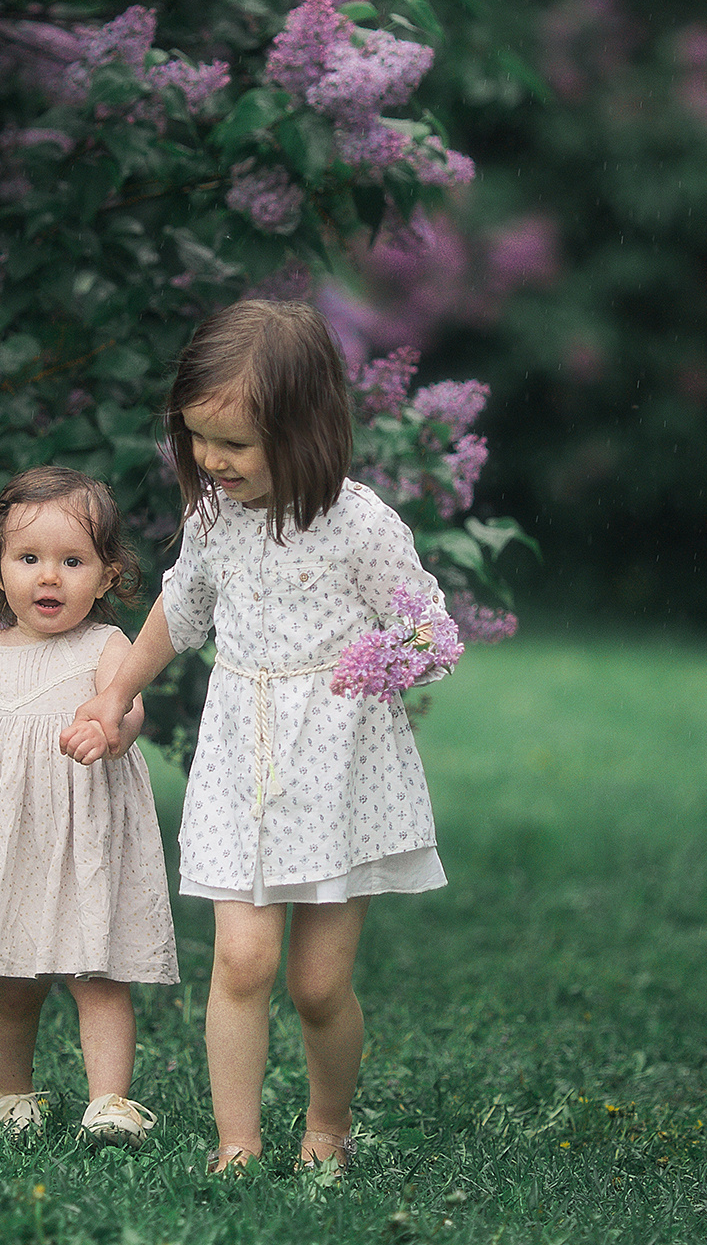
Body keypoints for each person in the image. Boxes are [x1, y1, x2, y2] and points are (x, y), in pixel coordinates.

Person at [68, 299, 450, 1176]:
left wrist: (397, 656)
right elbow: (179, 614)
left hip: (340, 773)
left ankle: (327, 1125)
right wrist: (117, 692)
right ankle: (236, 1143)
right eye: (197, 437)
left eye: (233, 443)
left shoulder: (362, 525)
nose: (210, 459)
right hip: (243, 759)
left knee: (318, 986)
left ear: (307, 430)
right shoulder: (213, 522)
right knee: (241, 962)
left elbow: (427, 624)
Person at [0, 466, 179, 1147]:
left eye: (72, 561)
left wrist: (108, 728)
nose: (50, 576)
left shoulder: (104, 647)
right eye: (30, 559)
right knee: (13, 983)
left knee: (95, 975)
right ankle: (13, 1097)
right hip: (10, 843)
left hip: (84, 842)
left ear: (107, 576)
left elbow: (128, 705)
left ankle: (109, 1102)